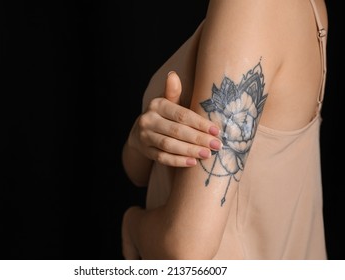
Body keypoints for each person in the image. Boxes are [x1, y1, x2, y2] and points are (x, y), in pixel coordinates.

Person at [121, 0, 328, 259]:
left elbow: (187, 250)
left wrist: (133, 225)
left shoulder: (252, 7)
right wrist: (139, 140)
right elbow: (141, 174)